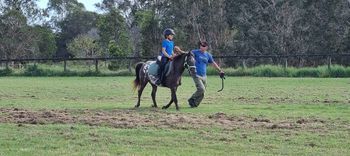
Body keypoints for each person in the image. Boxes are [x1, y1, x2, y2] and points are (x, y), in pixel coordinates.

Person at [188, 41, 225, 108]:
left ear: (206, 47)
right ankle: (191, 98)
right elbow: (187, 54)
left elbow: (213, 63)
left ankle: (194, 104)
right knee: (201, 89)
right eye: (201, 46)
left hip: (204, 75)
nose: (202, 47)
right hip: (196, 74)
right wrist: (179, 51)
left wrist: (220, 71)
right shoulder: (194, 52)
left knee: (203, 92)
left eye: (204, 46)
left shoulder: (208, 55)